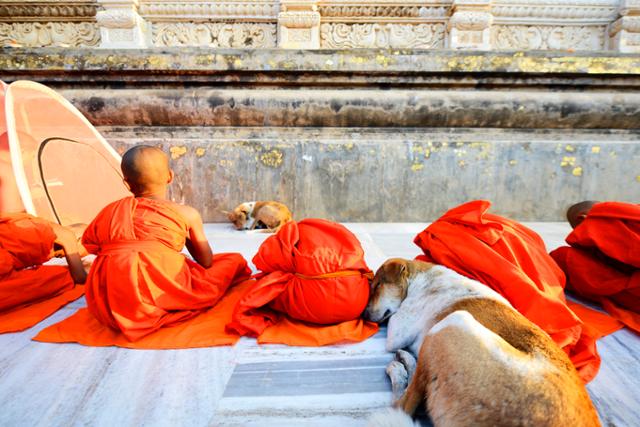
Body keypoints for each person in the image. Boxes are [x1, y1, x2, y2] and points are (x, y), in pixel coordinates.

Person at [413, 200, 601, 382]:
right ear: (582, 216)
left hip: (514, 262)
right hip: (522, 265)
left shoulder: (450, 234)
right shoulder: (513, 231)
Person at [82, 145, 250, 341]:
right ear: (170, 176)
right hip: (164, 294)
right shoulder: (186, 213)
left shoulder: (110, 212)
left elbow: (89, 246)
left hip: (109, 306)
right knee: (233, 260)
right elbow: (206, 261)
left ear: (127, 184)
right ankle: (163, 304)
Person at [551, 201, 639, 333]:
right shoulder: (630, 213)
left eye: (576, 228)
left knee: (563, 257)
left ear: (582, 218)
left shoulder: (597, 220)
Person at [0, 213, 86, 333]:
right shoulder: (67, 234)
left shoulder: (32, 222)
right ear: (80, 238)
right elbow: (79, 277)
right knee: (59, 278)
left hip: (5, 261)